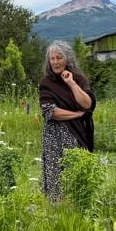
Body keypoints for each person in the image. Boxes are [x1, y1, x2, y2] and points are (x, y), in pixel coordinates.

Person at [38, 40, 95, 201]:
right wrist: (77, 114)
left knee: (77, 172)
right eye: (52, 58)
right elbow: (51, 111)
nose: (55, 62)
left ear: (68, 59)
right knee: (55, 173)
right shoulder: (46, 83)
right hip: (54, 137)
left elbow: (88, 104)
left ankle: (78, 206)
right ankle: (57, 209)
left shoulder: (79, 79)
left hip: (78, 134)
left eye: (59, 58)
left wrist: (71, 83)